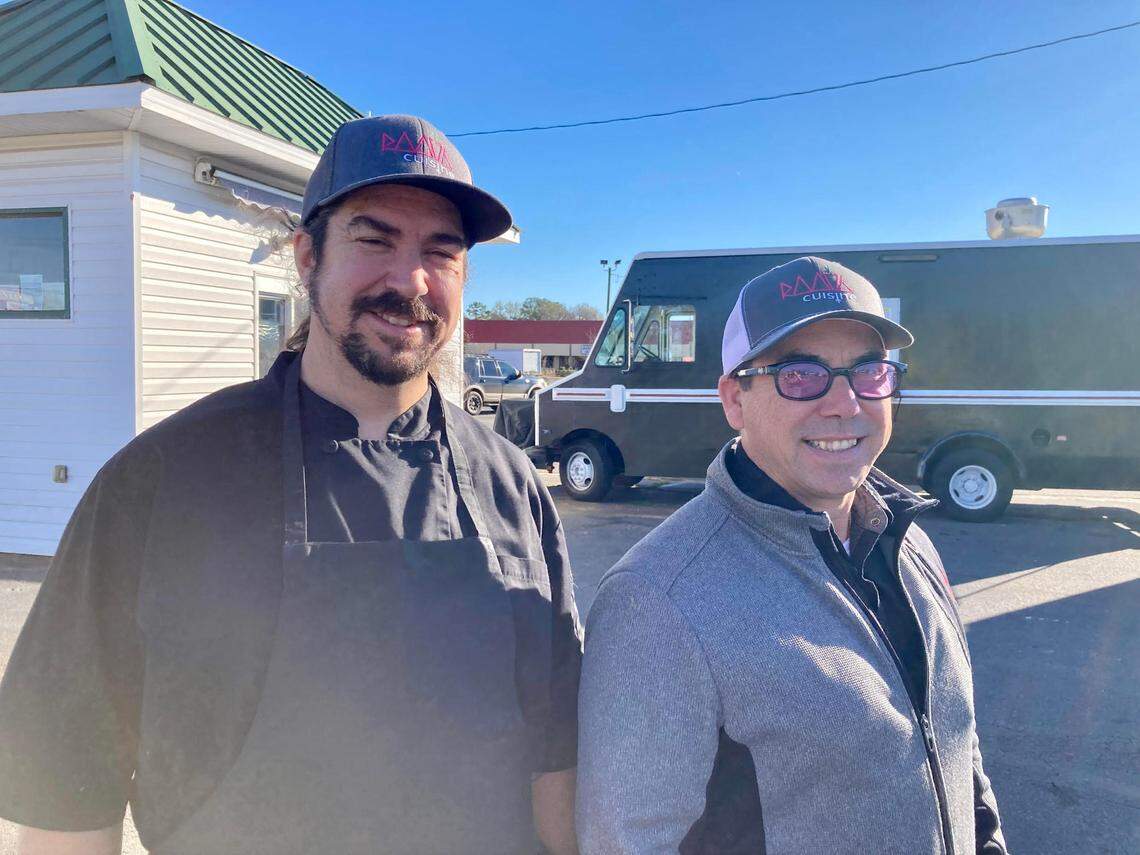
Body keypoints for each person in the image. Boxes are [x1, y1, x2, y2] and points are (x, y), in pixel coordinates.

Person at [0, 115, 582, 855]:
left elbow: (556, 761)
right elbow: (67, 785)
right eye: (374, 240)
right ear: (308, 256)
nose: (410, 281)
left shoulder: (513, 491)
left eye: (441, 253)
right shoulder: (161, 482)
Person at [577, 256, 1006, 854]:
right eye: (801, 375)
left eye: (869, 371)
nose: (845, 403)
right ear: (735, 399)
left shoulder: (907, 541)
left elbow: (957, 744)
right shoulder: (657, 601)